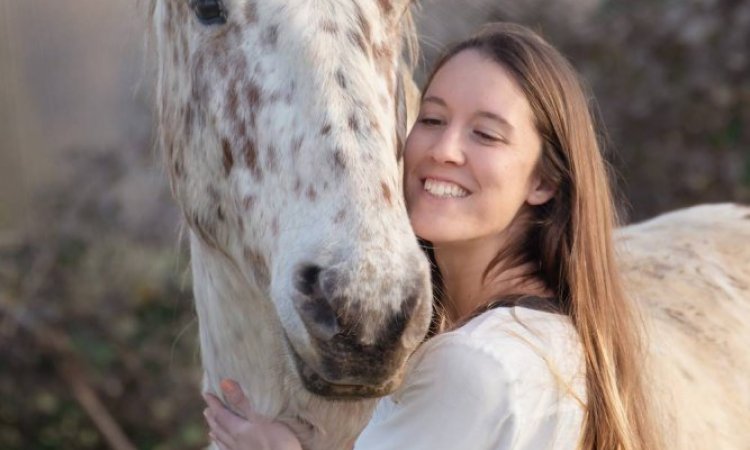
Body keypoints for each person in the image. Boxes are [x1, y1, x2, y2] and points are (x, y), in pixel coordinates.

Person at [202, 22, 662, 450]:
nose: (443, 150)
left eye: (485, 134)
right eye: (432, 120)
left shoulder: (473, 366)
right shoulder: (555, 340)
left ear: (543, 181)